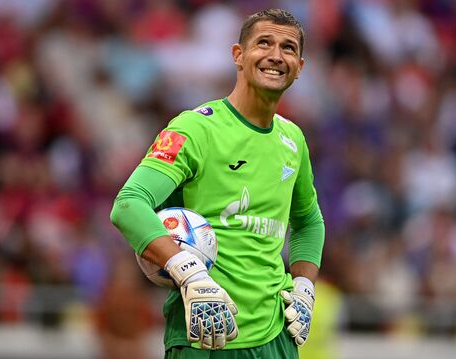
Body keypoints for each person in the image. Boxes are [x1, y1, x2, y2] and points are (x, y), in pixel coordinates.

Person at [110, 8, 325, 359]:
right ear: (238, 55)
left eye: (288, 48)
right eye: (264, 43)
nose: (275, 56)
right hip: (205, 329)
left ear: (300, 67)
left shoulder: (292, 139)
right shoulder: (196, 129)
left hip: (276, 337)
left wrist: (303, 285)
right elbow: (129, 204)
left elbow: (309, 220)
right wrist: (189, 274)